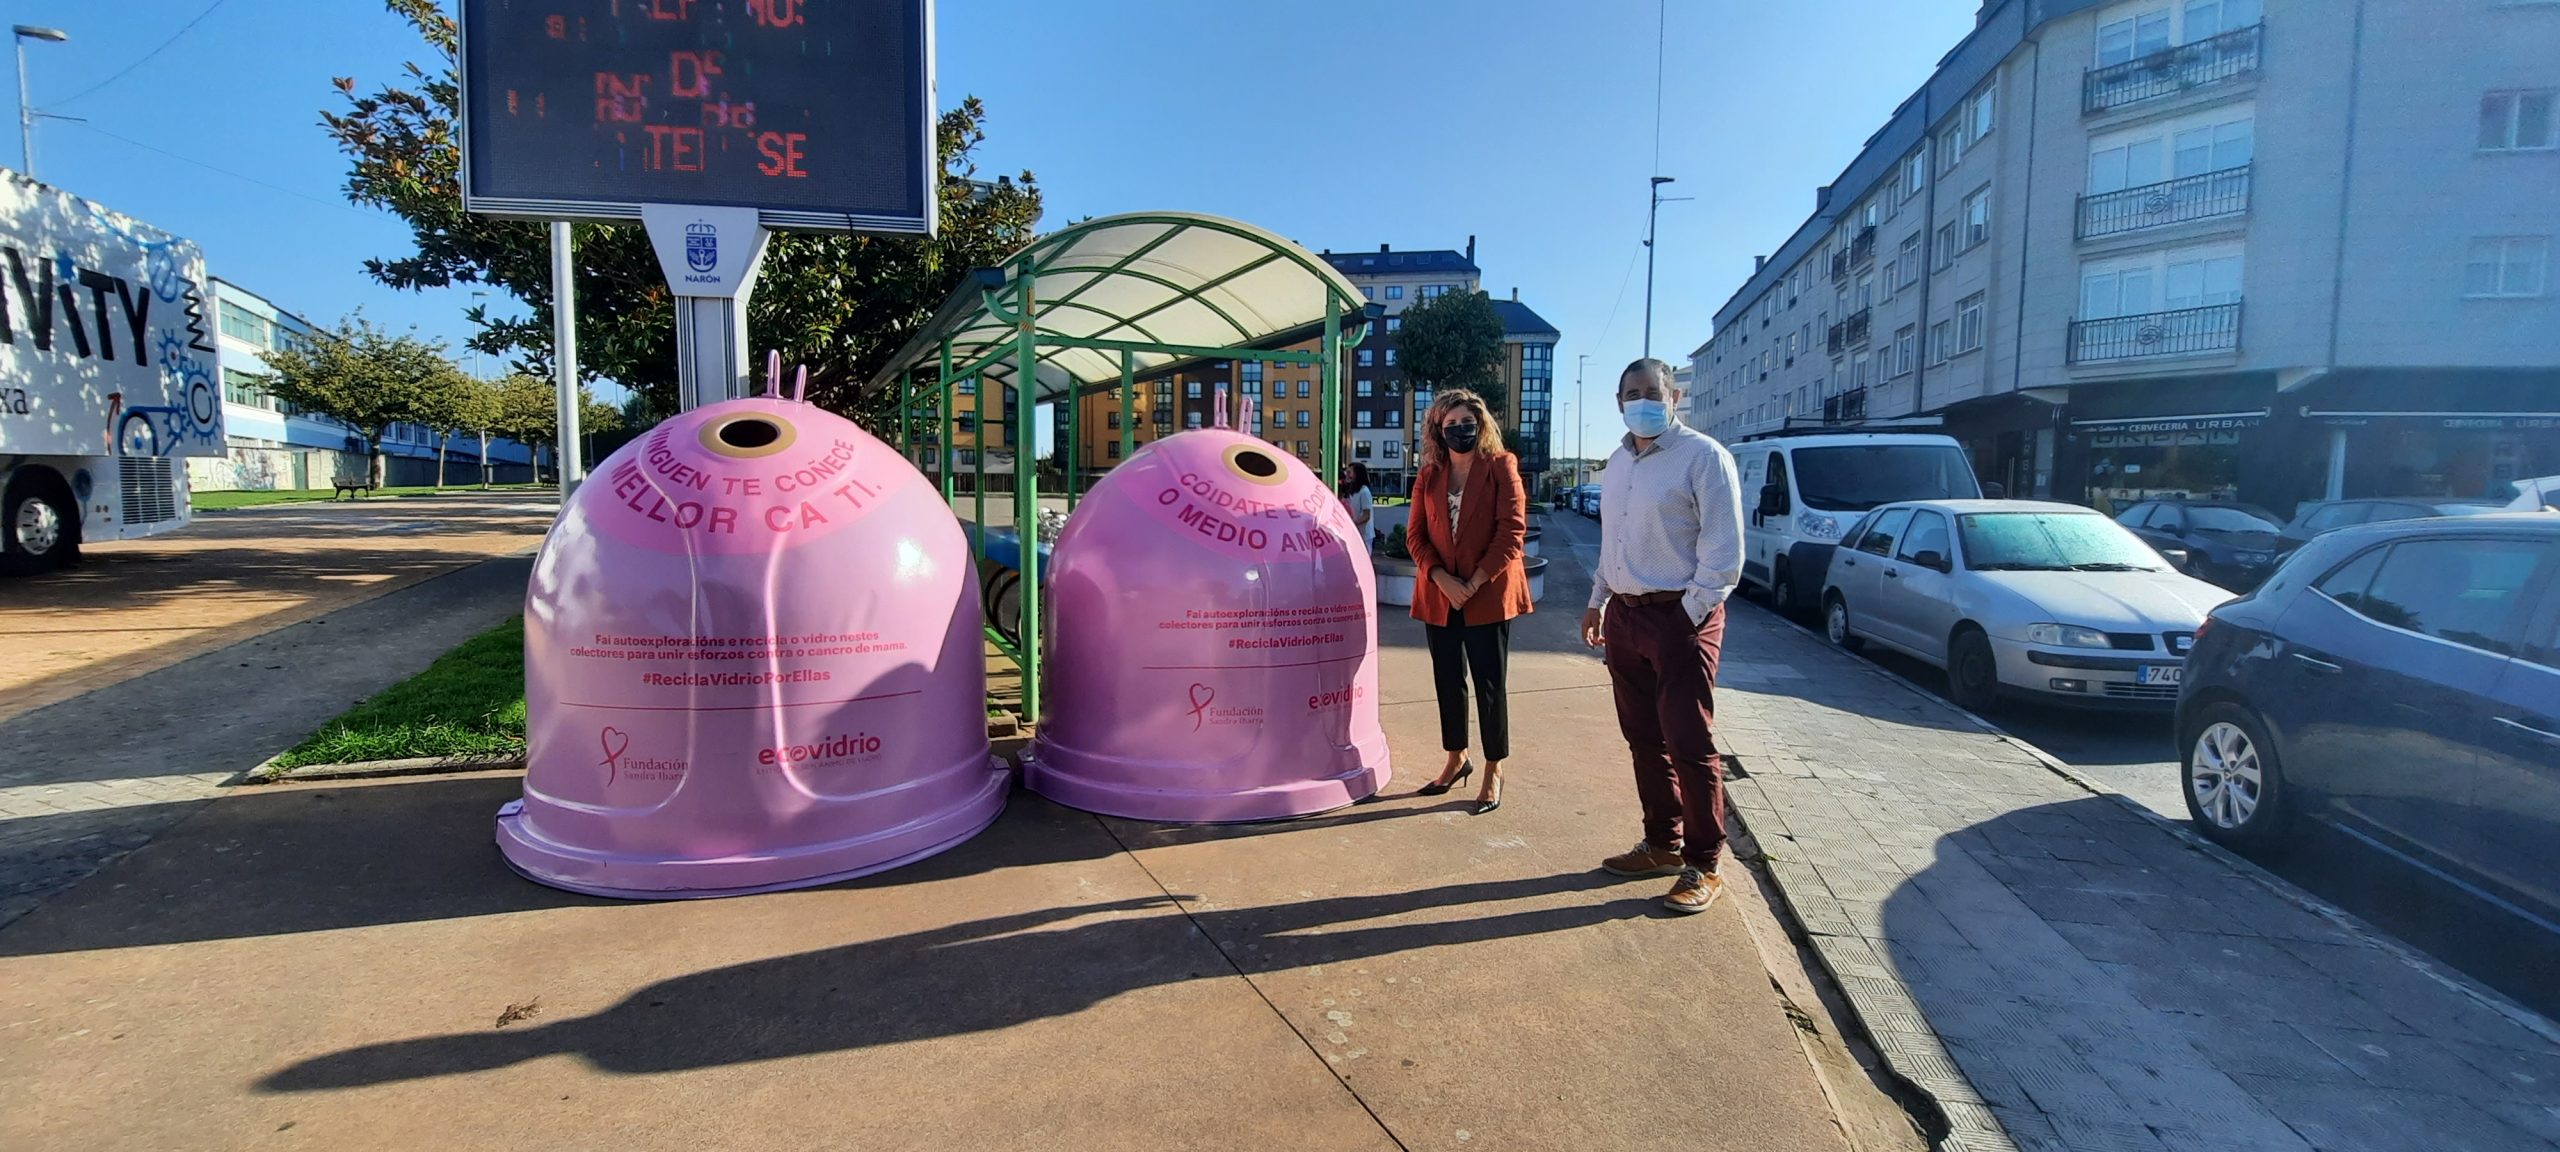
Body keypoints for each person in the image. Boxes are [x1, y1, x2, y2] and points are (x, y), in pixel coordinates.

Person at [1580, 359, 1745, 914]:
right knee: (1644, 740)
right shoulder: (1619, 462)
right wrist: (1598, 600)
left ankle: (1704, 862)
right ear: (1618, 401)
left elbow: (1724, 554)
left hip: (1679, 617)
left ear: (1674, 396)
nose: (1643, 400)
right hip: (1625, 616)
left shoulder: (1703, 457)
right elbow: (1614, 541)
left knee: (1689, 744)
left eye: (1654, 391)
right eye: (1632, 393)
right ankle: (1662, 843)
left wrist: (1689, 615)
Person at [1406, 389, 1532, 816]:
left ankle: (1494, 768)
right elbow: (1416, 536)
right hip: (1440, 596)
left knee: (1489, 685)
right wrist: (1441, 579)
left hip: (1487, 595)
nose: (1460, 430)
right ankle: (1456, 757)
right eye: (1450, 424)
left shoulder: (1501, 466)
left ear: (1480, 423)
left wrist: (1473, 582)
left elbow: (1512, 531)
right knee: (1448, 681)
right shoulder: (1429, 474)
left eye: (1466, 422)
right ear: (1438, 432)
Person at [1338, 461, 1374, 540]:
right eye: (1346, 472)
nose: (1346, 475)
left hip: (1364, 536)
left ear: (1357, 474)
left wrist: (1351, 524)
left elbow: (1366, 516)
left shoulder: (1364, 492)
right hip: (1355, 534)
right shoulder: (1352, 491)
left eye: (1349, 472)